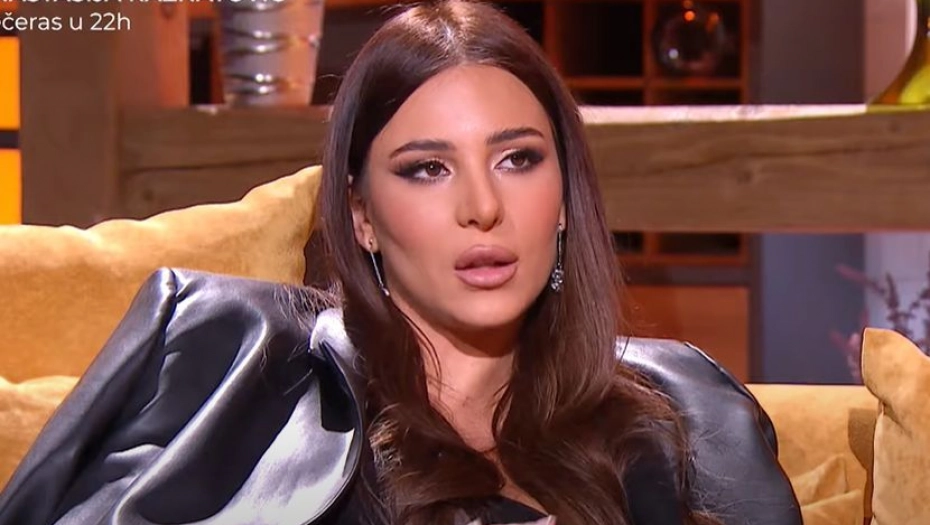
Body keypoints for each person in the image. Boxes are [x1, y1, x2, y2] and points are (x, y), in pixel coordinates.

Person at [0, 2, 801, 525]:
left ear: (563, 199)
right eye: (427, 168)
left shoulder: (683, 416)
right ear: (362, 216)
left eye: (518, 159)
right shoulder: (236, 368)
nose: (481, 207)